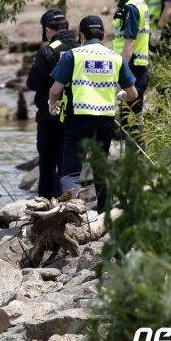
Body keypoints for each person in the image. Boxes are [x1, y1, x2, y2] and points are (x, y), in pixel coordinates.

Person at [48, 15, 138, 212]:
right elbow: (133, 93)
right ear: (103, 35)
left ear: (81, 35)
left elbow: (55, 91)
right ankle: (105, 213)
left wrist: (51, 105)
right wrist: (121, 95)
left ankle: (66, 212)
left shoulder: (73, 55)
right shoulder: (116, 58)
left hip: (78, 120)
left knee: (71, 172)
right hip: (105, 122)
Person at [26, 8, 79, 199]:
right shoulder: (81, 47)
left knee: (47, 164)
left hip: (50, 114)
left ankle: (46, 204)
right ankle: (67, 205)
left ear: (48, 29)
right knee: (68, 166)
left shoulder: (48, 50)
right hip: (75, 115)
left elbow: (32, 83)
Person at [95, 0, 149, 144]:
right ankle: (133, 165)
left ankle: (139, 165)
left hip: (133, 69)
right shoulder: (130, 4)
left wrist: (121, 74)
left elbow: (130, 42)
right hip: (133, 68)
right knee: (128, 121)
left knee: (132, 122)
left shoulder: (131, 7)